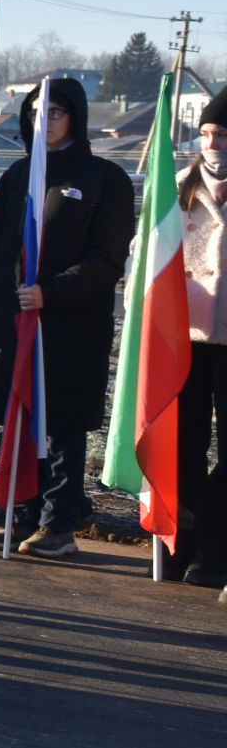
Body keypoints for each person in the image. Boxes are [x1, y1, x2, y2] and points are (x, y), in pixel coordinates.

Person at [0, 79, 132, 558]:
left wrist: (52, 292)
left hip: (70, 325)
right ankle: (21, 517)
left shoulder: (105, 178)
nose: (46, 121)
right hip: (14, 321)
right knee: (18, 416)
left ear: (76, 117)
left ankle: (58, 522)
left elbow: (107, 261)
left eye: (57, 112)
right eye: (37, 111)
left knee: (60, 423)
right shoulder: (16, 177)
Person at [173, 93, 227, 592]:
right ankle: (184, 543)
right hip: (184, 336)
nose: (213, 145)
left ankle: (216, 544)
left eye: (224, 136)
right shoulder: (179, 190)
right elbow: (145, 256)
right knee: (183, 444)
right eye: (207, 135)